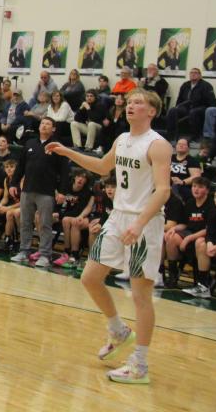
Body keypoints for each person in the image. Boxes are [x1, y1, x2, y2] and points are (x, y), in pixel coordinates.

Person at [45, 88, 170, 384]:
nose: (131, 106)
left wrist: (139, 223)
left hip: (145, 221)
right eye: (129, 102)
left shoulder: (157, 145)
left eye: (138, 102)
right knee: (89, 277)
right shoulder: (122, 139)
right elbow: (103, 166)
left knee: (141, 296)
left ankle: (139, 364)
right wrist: (68, 152)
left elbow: (164, 190)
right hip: (118, 217)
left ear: (151, 111)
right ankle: (118, 330)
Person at [11, 117, 68, 267]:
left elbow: (64, 171)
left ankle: (45, 255)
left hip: (46, 192)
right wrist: (13, 183)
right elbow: (20, 166)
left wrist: (62, 191)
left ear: (53, 128)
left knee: (45, 224)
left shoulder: (57, 146)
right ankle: (24, 251)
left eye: (48, 124)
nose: (44, 126)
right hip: (27, 190)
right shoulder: (30, 143)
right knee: (25, 222)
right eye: (42, 123)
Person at [164, 177, 213, 291]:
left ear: (207, 190)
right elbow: (185, 224)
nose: (196, 189)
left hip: (203, 236)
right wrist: (174, 229)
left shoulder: (211, 204)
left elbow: (209, 229)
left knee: (198, 242)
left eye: (200, 187)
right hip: (190, 234)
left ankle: (202, 283)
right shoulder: (190, 202)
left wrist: (189, 238)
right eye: (194, 186)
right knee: (171, 237)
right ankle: (173, 275)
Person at [184, 186, 216, 298]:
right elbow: (210, 233)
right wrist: (209, 244)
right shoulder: (214, 212)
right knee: (200, 242)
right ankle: (203, 286)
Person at [51, 170, 93, 267]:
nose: (81, 179)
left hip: (74, 216)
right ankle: (44, 250)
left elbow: (79, 210)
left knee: (67, 220)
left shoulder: (87, 192)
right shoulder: (66, 187)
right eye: (79, 176)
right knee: (40, 216)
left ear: (86, 181)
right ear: (74, 177)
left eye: (84, 178)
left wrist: (60, 215)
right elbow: (57, 203)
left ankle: (70, 253)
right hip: (63, 214)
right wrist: (55, 212)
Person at [166, 68, 216, 143]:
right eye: (191, 73)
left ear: (200, 75)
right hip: (186, 107)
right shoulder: (185, 85)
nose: (193, 74)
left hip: (201, 108)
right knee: (173, 110)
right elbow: (179, 99)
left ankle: (195, 136)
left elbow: (212, 102)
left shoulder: (206, 85)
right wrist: (177, 107)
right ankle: (170, 135)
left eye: (195, 73)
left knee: (193, 112)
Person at [169, 137, 201, 201]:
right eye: (179, 144)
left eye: (184, 144)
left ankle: (178, 202)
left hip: (184, 187)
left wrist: (182, 182)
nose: (181, 145)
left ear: (188, 148)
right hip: (168, 184)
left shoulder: (192, 161)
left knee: (176, 186)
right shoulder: (169, 157)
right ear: (175, 146)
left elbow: (196, 177)